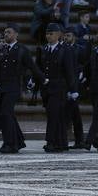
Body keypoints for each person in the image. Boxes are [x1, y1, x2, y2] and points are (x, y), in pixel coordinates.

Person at [0, 24, 41, 153]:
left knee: (5, 113)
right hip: (0, 88)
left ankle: (9, 143)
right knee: (2, 115)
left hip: (13, 88)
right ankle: (11, 141)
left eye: (9, 32)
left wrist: (41, 79)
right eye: (5, 32)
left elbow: (31, 67)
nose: (6, 34)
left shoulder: (22, 50)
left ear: (16, 34)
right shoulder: (1, 49)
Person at [38, 23, 75, 152]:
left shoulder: (65, 49)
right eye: (47, 34)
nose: (48, 36)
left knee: (53, 114)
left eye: (51, 33)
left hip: (60, 87)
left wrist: (73, 89)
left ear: (59, 35)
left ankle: (50, 141)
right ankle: (62, 142)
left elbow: (69, 70)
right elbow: (40, 68)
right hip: (47, 88)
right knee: (56, 115)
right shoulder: (44, 49)